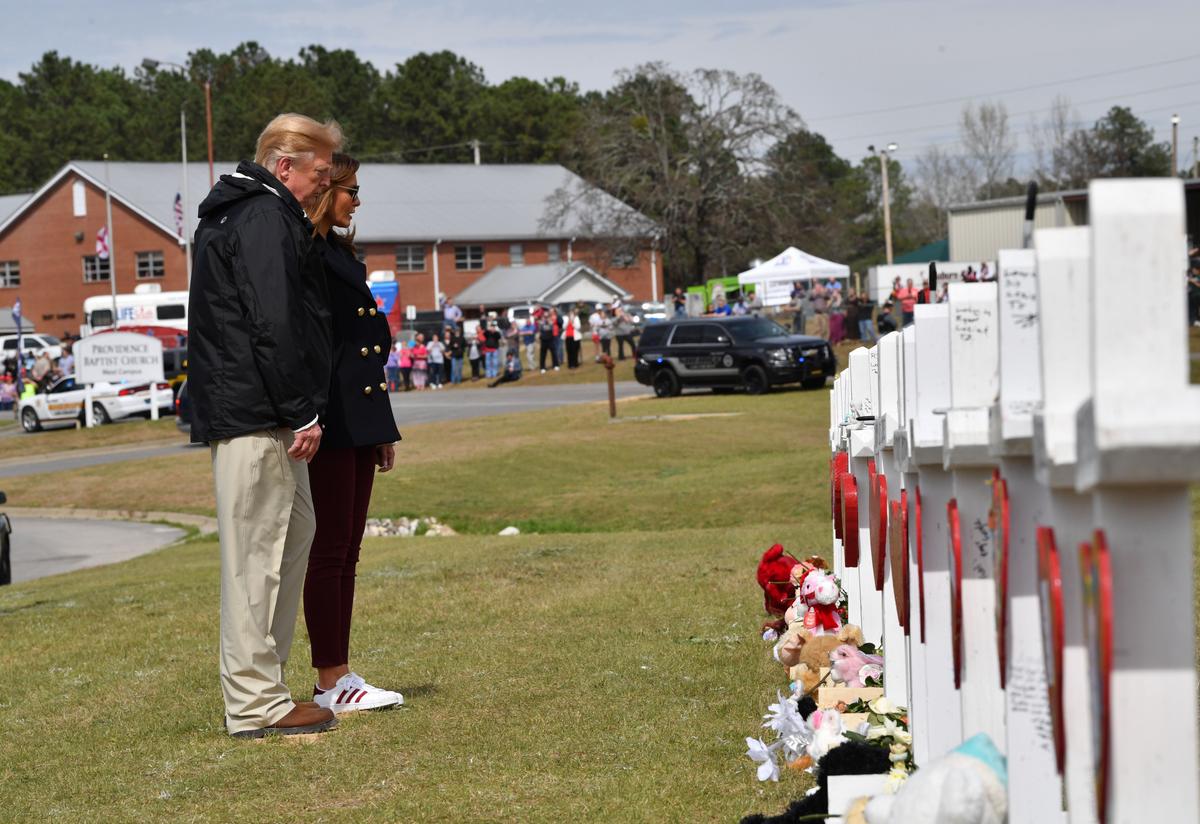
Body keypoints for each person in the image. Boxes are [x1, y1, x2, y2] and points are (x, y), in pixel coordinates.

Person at [188, 112, 341, 739]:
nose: (325, 187)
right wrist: (301, 408)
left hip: (259, 408)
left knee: (293, 531)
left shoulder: (256, 213)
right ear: (285, 165)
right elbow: (272, 322)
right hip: (258, 413)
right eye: (320, 174)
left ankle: (267, 685)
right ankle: (255, 704)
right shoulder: (263, 218)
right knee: (256, 556)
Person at [303, 152, 403, 714]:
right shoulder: (308, 253)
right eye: (350, 191)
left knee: (348, 552)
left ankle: (338, 674)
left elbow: (363, 350)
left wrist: (377, 429)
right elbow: (321, 348)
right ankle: (329, 678)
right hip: (330, 416)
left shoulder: (336, 250)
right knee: (329, 551)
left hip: (356, 417)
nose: (356, 201)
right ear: (324, 192)